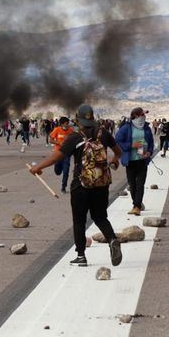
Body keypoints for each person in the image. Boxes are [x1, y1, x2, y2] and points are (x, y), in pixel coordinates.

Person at [30, 104, 122, 268]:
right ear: (92, 117)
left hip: (81, 185)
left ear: (78, 120)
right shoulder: (104, 133)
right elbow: (118, 151)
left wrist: (38, 168)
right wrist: (114, 160)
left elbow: (56, 157)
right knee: (100, 217)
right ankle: (112, 239)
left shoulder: (75, 137)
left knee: (79, 221)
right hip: (101, 184)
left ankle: (81, 255)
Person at [115, 107, 154, 216]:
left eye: (144, 115)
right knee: (132, 184)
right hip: (130, 161)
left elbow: (150, 142)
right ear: (135, 116)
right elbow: (117, 139)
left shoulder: (146, 128)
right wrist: (130, 145)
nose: (143, 117)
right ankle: (137, 203)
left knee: (140, 184)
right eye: (141, 115)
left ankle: (136, 206)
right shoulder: (127, 128)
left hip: (142, 160)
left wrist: (149, 152)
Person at [49, 117, 74, 193]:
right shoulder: (57, 130)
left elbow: (74, 140)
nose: (68, 125)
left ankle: (63, 187)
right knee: (58, 172)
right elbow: (51, 140)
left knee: (66, 172)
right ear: (62, 124)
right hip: (58, 153)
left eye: (68, 123)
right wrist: (59, 143)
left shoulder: (71, 130)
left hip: (67, 154)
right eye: (66, 123)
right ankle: (57, 167)